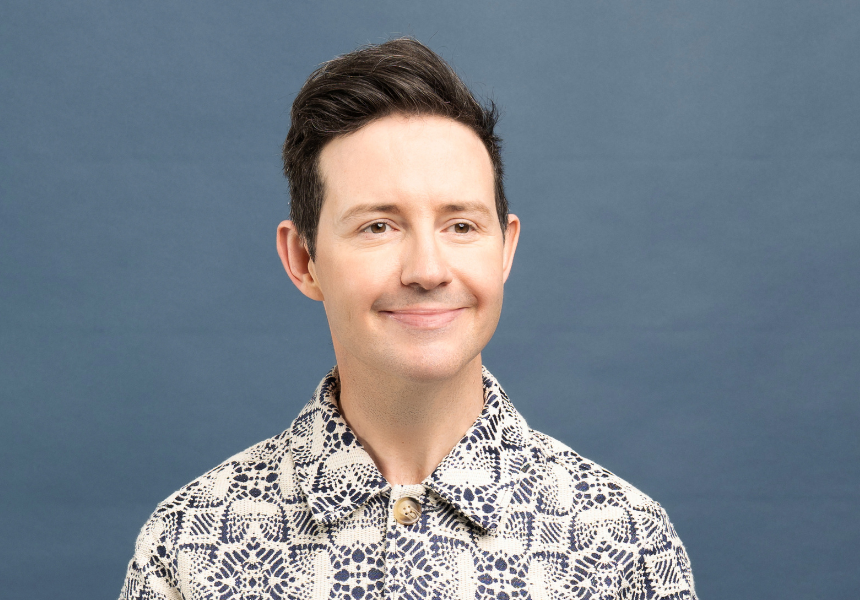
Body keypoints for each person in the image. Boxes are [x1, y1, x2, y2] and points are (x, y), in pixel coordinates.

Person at [119, 38, 697, 600]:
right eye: (378, 225)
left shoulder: (624, 543)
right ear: (303, 260)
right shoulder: (190, 546)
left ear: (505, 251)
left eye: (461, 225)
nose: (427, 269)